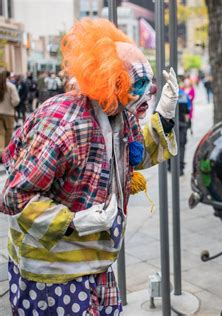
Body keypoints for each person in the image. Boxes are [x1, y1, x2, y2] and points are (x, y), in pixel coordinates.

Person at [0, 18, 178, 315]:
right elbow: (14, 197)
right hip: (52, 271)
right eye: (141, 85)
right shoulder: (63, 123)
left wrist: (165, 117)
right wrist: (73, 221)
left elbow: (132, 156)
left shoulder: (120, 114)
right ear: (112, 81)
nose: (149, 93)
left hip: (95, 261)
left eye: (150, 84)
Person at [0, 69, 19, 157]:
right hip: (8, 113)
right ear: (8, 76)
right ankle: (5, 155)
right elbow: (16, 101)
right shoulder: (11, 86)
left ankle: (0, 152)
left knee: (0, 134)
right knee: (8, 134)